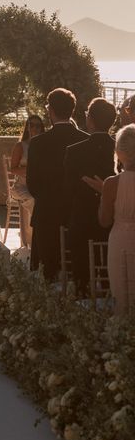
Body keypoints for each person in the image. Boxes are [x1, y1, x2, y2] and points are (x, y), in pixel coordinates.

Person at [26, 88, 88, 281]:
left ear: (50, 110)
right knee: (77, 273)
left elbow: (32, 183)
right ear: (72, 110)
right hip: (77, 215)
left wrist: (46, 198)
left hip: (46, 213)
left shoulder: (37, 143)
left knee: (47, 273)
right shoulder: (85, 140)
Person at [63, 98, 117, 295]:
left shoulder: (74, 151)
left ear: (90, 120)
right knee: (110, 276)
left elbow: (68, 190)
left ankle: (82, 293)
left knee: (81, 275)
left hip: (82, 221)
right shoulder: (122, 150)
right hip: (112, 222)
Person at [91, 125, 135, 314]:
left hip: (121, 243)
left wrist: (104, 195)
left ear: (119, 152)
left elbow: (104, 221)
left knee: (122, 296)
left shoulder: (111, 184)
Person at [9, 115, 45, 247]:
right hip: (21, 187)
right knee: (33, 200)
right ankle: (31, 241)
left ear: (42, 128)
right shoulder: (21, 146)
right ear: (27, 127)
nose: (34, 128)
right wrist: (29, 170)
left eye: (38, 125)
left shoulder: (44, 146)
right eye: (31, 125)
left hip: (39, 186)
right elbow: (12, 169)